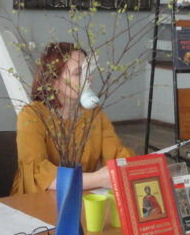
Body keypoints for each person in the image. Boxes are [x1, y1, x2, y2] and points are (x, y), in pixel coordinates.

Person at [11, 42, 134, 194]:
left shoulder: (94, 114)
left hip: (80, 195)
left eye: (88, 71)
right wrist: (99, 179)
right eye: (78, 73)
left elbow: (117, 155)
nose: (89, 78)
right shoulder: (32, 115)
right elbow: (38, 174)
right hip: (33, 201)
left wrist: (134, 167)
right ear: (54, 82)